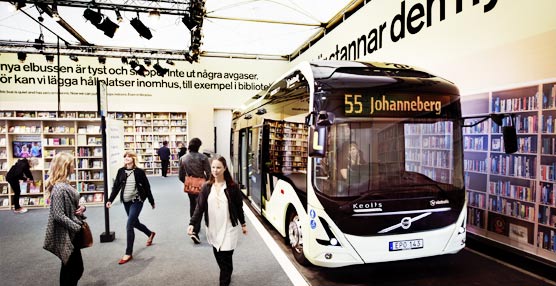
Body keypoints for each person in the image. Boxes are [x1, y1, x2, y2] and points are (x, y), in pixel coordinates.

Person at [188, 156, 248, 286]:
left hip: (229, 228)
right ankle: (227, 271)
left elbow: (239, 207)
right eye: (213, 167)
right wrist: (192, 223)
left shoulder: (232, 187)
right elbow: (200, 207)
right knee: (220, 257)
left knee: (225, 258)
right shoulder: (206, 187)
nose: (215, 170)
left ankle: (224, 280)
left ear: (225, 168)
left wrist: (243, 224)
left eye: (218, 167)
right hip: (213, 228)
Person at [43, 152, 87, 286]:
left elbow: (71, 204)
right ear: (65, 166)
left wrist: (82, 206)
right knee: (72, 269)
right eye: (72, 163)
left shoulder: (64, 184)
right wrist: (77, 227)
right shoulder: (59, 188)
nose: (74, 166)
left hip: (71, 231)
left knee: (72, 267)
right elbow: (58, 215)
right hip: (68, 233)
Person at [106, 150, 156, 265]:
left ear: (133, 158)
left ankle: (128, 253)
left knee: (129, 224)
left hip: (137, 201)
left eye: (129, 156)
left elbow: (147, 187)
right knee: (134, 223)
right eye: (125, 156)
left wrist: (151, 201)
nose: (127, 158)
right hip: (126, 201)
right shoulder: (121, 171)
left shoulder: (139, 172)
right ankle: (150, 233)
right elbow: (116, 187)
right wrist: (110, 200)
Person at [179, 137, 211, 244]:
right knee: (201, 206)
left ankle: (193, 227)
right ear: (198, 146)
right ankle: (195, 231)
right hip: (202, 185)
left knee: (193, 205)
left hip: (190, 185)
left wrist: (188, 181)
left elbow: (180, 175)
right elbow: (209, 173)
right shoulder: (203, 158)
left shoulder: (183, 158)